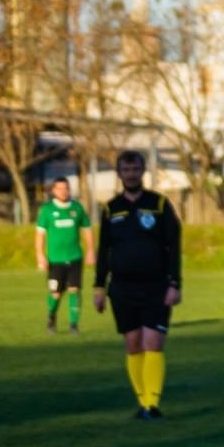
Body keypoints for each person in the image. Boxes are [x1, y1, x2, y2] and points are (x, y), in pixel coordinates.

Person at [93, 150, 182, 420]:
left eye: (135, 169)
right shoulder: (111, 208)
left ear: (143, 171)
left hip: (156, 286)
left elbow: (174, 246)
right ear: (119, 173)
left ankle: (152, 404)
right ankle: (143, 403)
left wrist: (175, 283)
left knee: (153, 342)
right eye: (126, 170)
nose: (131, 174)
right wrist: (99, 287)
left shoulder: (159, 204)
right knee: (133, 344)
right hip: (122, 287)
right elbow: (103, 250)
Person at [35, 176, 94, 335]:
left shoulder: (77, 208)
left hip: (75, 257)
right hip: (55, 260)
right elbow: (40, 235)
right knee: (56, 293)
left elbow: (87, 230)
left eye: (66, 188)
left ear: (69, 190)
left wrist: (90, 250)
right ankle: (51, 316)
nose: (63, 191)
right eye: (59, 188)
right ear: (54, 191)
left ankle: (73, 325)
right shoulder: (47, 210)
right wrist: (40, 255)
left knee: (74, 290)